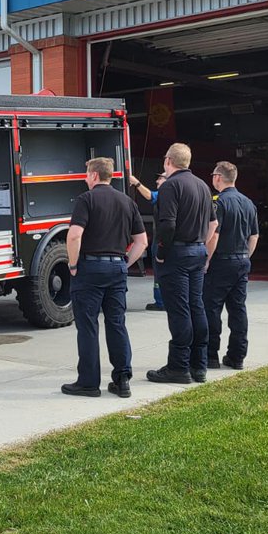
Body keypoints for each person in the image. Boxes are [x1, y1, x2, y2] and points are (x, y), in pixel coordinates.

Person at [61, 157, 148, 399]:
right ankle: (122, 380)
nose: (85, 178)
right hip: (117, 269)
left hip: (89, 269)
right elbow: (142, 241)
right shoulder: (127, 202)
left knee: (88, 326)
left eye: (87, 174)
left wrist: (73, 264)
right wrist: (125, 263)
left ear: (95, 175)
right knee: (116, 323)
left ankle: (88, 383)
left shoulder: (86, 200)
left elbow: (74, 236)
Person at [147, 142, 218, 385]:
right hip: (197, 250)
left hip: (176, 253)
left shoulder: (170, 186)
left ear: (168, 161)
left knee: (179, 310)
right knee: (196, 305)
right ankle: (199, 364)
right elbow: (213, 223)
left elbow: (167, 224)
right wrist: (200, 244)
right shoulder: (202, 186)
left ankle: (178, 366)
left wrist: (161, 253)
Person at [204, 161, 260, 370]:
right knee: (238, 310)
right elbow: (254, 236)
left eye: (213, 175)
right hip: (242, 260)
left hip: (221, 262)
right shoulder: (248, 203)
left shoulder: (218, 202)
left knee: (212, 309)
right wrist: (245, 256)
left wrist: (206, 260)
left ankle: (210, 355)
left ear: (218, 177)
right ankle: (237, 356)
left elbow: (214, 235)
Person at [129, 172, 166, 311]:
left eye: (160, 178)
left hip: (162, 240)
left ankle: (161, 302)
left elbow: (150, 196)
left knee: (160, 271)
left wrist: (136, 183)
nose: (157, 181)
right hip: (166, 239)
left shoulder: (165, 194)